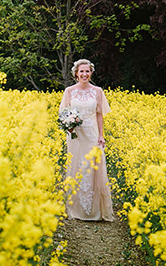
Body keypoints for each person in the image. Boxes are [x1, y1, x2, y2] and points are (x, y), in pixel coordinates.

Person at [59, 59, 114, 221]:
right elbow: (63, 113)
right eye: (81, 71)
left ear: (91, 73)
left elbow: (99, 115)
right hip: (75, 135)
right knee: (76, 166)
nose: (84, 74)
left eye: (87, 71)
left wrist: (101, 135)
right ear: (76, 73)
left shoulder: (97, 91)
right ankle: (76, 209)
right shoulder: (69, 91)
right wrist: (68, 125)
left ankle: (93, 210)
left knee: (92, 167)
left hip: (91, 133)